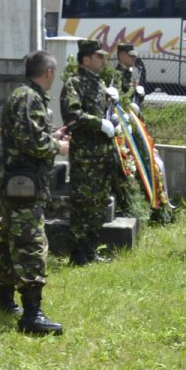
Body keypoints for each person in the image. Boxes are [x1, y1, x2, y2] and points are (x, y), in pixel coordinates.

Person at [0, 50, 69, 335]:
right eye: (54, 73)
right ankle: (32, 315)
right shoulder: (30, 97)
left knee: (8, 241)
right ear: (48, 72)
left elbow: (27, 135)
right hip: (24, 186)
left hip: (17, 183)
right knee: (30, 245)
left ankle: (5, 300)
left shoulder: (20, 95)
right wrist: (58, 146)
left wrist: (52, 136)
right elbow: (32, 142)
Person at [61, 39, 116, 266]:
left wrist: (112, 112)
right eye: (99, 57)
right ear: (86, 59)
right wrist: (99, 123)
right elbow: (73, 115)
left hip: (102, 155)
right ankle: (78, 253)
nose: (103, 61)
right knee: (83, 204)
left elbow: (102, 113)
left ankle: (90, 248)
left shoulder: (99, 84)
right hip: (85, 157)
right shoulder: (74, 84)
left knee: (98, 204)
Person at [114, 43, 146, 110]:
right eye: (131, 56)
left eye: (134, 56)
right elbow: (121, 96)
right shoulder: (117, 75)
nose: (134, 58)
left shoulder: (131, 73)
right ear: (122, 56)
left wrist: (140, 95)